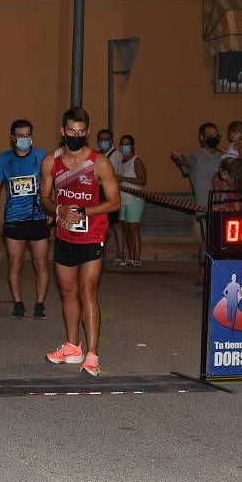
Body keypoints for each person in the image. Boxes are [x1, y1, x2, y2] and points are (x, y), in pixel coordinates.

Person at [40, 107, 120, 377]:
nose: (76, 135)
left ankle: (93, 354)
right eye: (71, 131)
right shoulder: (51, 161)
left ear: (86, 132)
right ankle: (73, 346)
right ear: (62, 131)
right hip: (64, 235)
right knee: (67, 292)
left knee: (88, 291)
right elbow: (45, 198)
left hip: (92, 235)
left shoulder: (99, 162)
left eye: (81, 131)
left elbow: (114, 202)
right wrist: (59, 209)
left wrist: (85, 211)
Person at [0, 119, 50, 318]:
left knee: (41, 263)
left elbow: (52, 185)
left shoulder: (42, 157)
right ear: (13, 138)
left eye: (27, 135)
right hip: (14, 219)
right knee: (15, 263)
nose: (24, 139)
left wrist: (52, 210)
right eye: (20, 136)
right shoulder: (4, 159)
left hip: (38, 217)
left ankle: (40, 303)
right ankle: (17, 302)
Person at [169, 122, 222, 279]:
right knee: (209, 240)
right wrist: (179, 157)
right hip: (205, 207)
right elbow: (185, 161)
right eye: (210, 135)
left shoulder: (223, 156)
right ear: (201, 137)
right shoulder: (195, 157)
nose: (213, 137)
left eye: (216, 135)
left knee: (219, 241)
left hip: (224, 206)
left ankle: (215, 271)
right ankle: (203, 271)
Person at [95, 128, 126, 264]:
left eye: (106, 139)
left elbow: (109, 174)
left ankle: (120, 253)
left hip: (110, 192)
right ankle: (102, 252)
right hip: (99, 192)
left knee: (115, 224)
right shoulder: (98, 155)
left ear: (111, 140)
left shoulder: (116, 155)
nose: (103, 142)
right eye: (101, 139)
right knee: (102, 224)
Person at [117, 135, 147, 267]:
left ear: (132, 146)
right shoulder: (121, 161)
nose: (124, 147)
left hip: (134, 199)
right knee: (126, 228)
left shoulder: (136, 160)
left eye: (127, 144)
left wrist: (123, 178)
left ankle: (137, 258)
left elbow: (142, 180)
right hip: (122, 199)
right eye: (122, 144)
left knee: (133, 228)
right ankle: (130, 256)